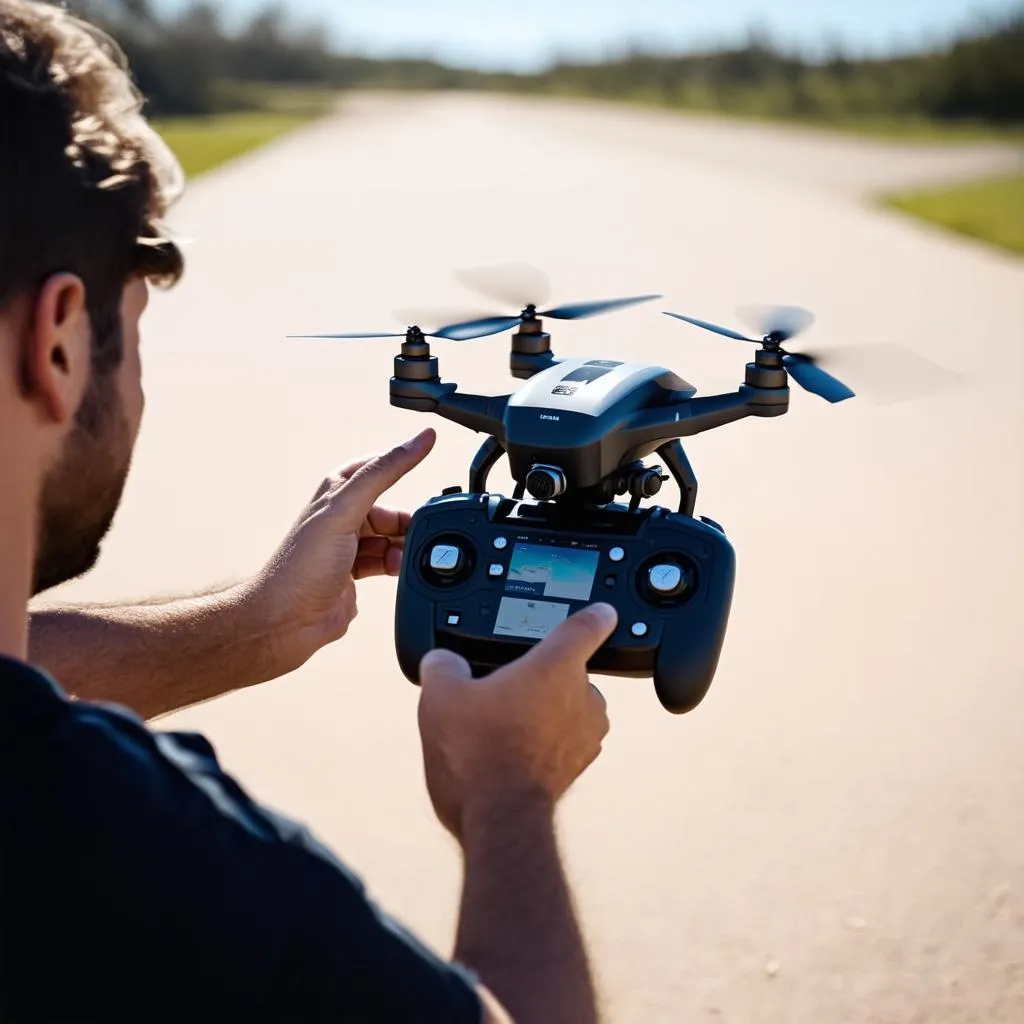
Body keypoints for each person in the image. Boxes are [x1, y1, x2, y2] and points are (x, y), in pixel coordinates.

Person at [0, 2, 618, 1022]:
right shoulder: (135, 846)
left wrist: (255, 623)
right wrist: (508, 791)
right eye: (134, 332)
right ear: (58, 342)